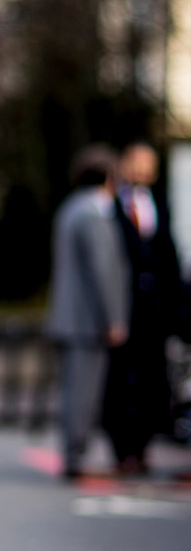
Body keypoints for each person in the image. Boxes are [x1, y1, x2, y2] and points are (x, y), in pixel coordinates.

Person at [47, 145, 129, 479]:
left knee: (73, 391)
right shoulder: (95, 213)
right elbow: (103, 269)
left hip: (68, 316)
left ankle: (73, 452)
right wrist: (114, 317)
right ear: (109, 177)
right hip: (87, 320)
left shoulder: (70, 209)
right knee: (84, 394)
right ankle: (75, 456)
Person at [102, 141, 182, 472]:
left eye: (147, 164)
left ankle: (144, 445)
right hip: (123, 307)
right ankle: (122, 448)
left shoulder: (160, 205)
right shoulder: (108, 205)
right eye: (135, 163)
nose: (141, 171)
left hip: (154, 311)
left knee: (152, 380)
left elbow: (168, 257)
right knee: (121, 380)